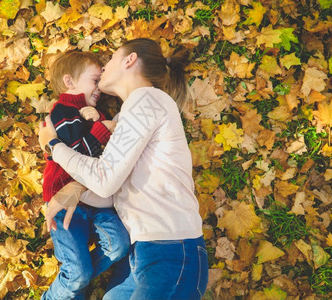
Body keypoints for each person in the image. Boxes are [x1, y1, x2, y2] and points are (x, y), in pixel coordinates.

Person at [39, 38, 209, 299]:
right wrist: (75, 191)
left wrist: (53, 144)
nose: (104, 68)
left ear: (130, 60)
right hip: (142, 250)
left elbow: (105, 179)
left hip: (172, 251)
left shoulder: (148, 101)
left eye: (110, 59)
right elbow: (113, 190)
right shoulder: (128, 114)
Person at [40, 50, 130, 300]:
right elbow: (76, 154)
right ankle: (67, 286)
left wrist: (100, 120)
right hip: (63, 197)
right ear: (70, 82)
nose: (99, 88)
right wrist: (101, 128)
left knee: (119, 244)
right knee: (78, 272)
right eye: (94, 81)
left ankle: (74, 282)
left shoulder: (92, 113)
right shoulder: (62, 112)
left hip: (95, 194)